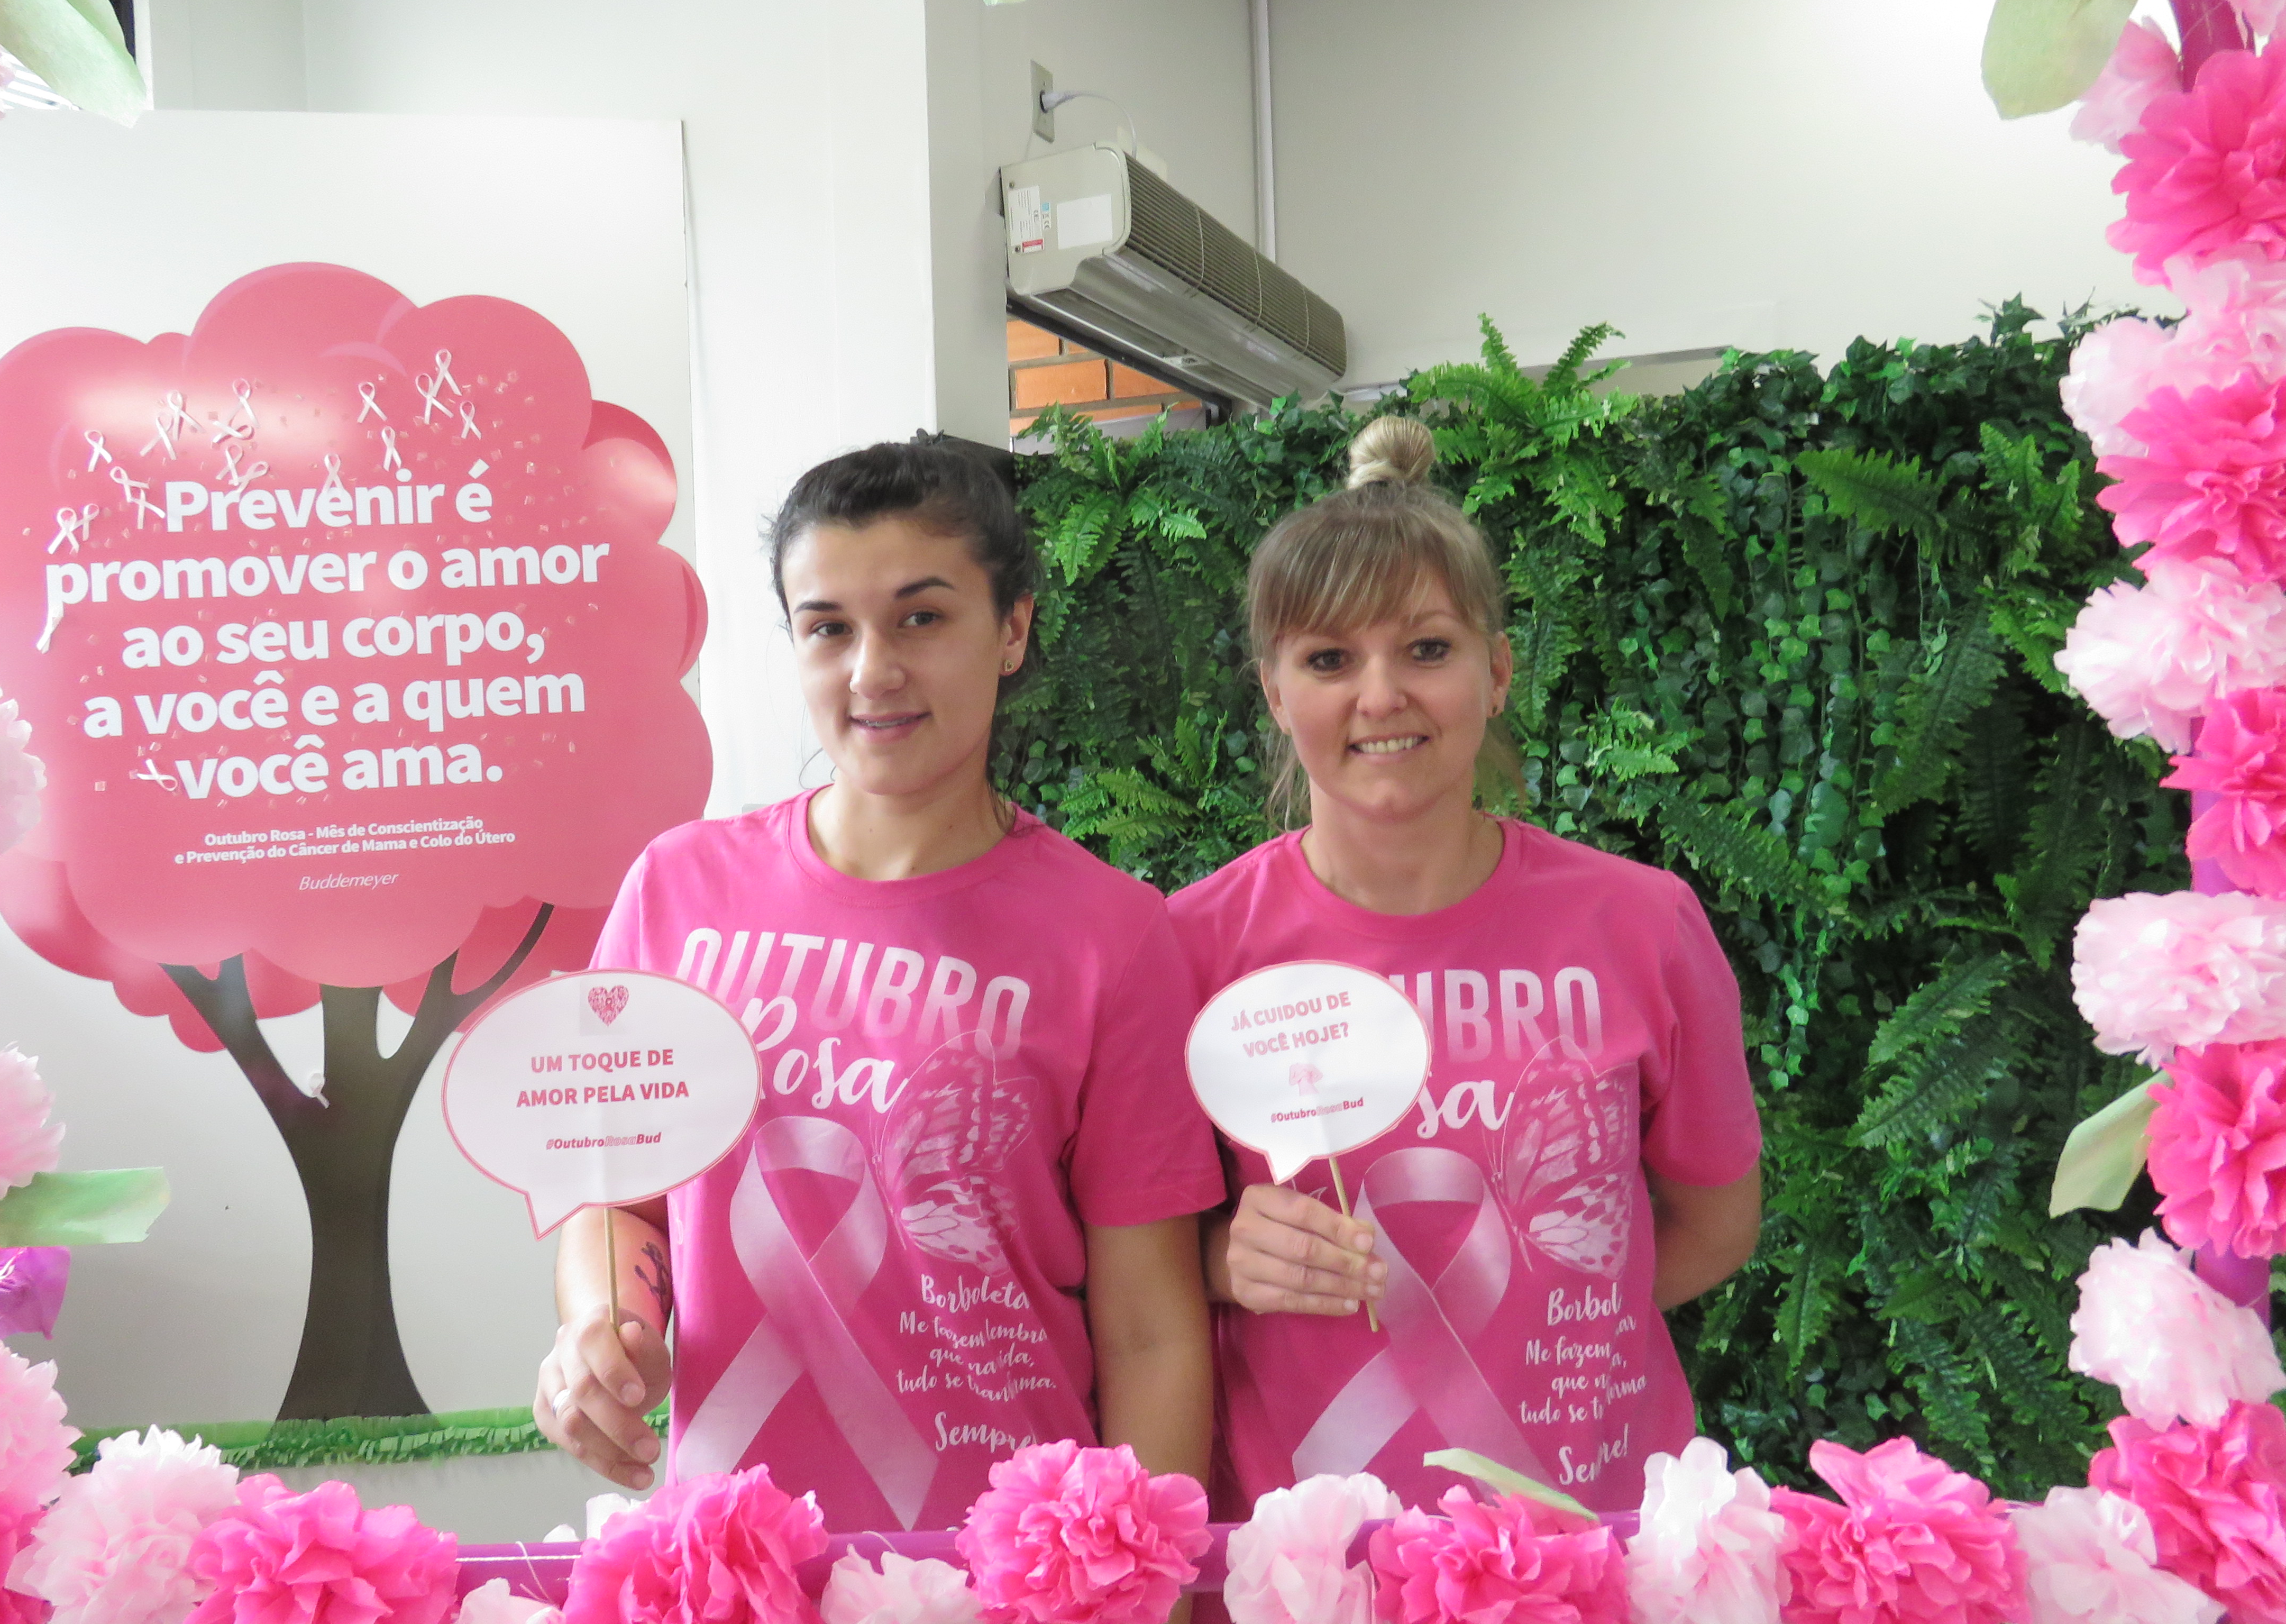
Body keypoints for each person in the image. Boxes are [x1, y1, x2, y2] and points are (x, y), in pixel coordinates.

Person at [534, 436, 1221, 1532]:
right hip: (732, 1565)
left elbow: (1151, 1334)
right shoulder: (678, 891)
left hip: (1011, 1568)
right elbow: (619, 1195)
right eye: (829, 629)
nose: (872, 672)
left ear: (1013, 629)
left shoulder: (1113, 935)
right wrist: (600, 1328)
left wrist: (1141, 1583)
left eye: (921, 617)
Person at [1168, 416, 1762, 1517]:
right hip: (1305, 1561)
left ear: (1496, 672)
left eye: (1427, 650)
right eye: (1329, 660)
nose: (1380, 696)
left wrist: (1547, 1311)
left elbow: (1716, 1226)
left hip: (1588, 1543)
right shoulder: (1190, 949)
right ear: (1275, 694)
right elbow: (1125, 1267)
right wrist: (1219, 1260)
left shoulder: (1642, 925)